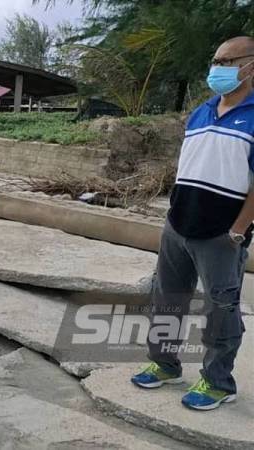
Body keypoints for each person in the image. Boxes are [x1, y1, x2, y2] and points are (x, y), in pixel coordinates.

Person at [131, 36, 254, 411]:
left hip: (221, 234)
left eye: (227, 60)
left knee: (220, 309)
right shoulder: (200, 112)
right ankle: (166, 364)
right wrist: (172, 216)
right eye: (215, 59)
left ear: (250, 66)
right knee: (166, 300)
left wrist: (237, 230)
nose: (217, 68)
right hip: (178, 226)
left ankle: (218, 382)